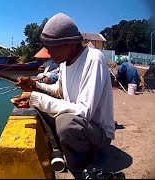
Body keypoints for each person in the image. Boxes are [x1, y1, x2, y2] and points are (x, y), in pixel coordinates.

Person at [12, 13, 115, 176]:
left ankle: (80, 167)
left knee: (65, 123)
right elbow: (59, 91)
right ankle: (58, 150)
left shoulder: (93, 59)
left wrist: (36, 97)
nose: (48, 52)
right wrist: (34, 85)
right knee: (38, 106)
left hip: (97, 133)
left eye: (52, 47)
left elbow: (84, 112)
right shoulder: (66, 62)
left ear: (70, 44)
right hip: (79, 124)